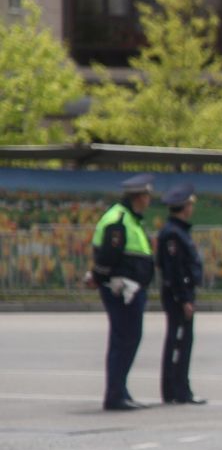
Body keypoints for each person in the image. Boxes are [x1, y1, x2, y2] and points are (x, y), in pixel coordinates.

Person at [89, 174, 156, 411]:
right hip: (121, 290)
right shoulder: (118, 219)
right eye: (147, 195)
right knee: (124, 340)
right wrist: (101, 277)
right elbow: (108, 255)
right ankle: (116, 395)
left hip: (131, 289)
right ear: (139, 197)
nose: (149, 200)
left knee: (128, 339)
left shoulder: (129, 218)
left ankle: (120, 391)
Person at [155, 183, 206, 405]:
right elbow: (174, 270)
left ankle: (178, 389)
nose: (191, 209)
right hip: (178, 297)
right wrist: (183, 298)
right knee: (178, 343)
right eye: (190, 205)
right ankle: (177, 391)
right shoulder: (173, 234)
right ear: (184, 207)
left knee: (181, 342)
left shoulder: (178, 231)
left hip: (182, 294)